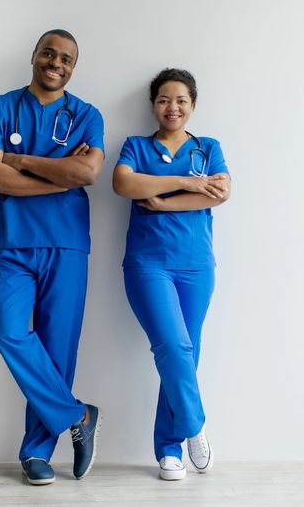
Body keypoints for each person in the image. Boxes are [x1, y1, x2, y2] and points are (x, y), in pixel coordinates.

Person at [0, 29, 104, 485]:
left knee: (57, 349)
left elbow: (87, 171)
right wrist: (59, 176)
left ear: (72, 67)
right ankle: (77, 415)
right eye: (49, 53)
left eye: (66, 58)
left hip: (66, 244)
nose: (56, 62)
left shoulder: (86, 115)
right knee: (9, 334)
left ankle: (35, 453)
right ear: (34, 55)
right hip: (10, 242)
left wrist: (21, 160)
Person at [112, 68, 231, 481]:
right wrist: (185, 183)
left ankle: (167, 448)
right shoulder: (136, 147)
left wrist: (162, 202)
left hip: (197, 265)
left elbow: (221, 191)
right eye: (164, 99)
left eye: (180, 100)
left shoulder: (208, 147)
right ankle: (194, 427)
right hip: (148, 264)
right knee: (174, 347)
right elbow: (123, 184)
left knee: (186, 353)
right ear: (153, 105)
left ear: (192, 105)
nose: (172, 107)